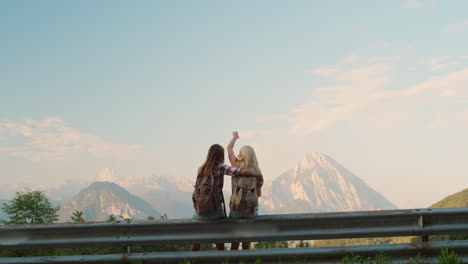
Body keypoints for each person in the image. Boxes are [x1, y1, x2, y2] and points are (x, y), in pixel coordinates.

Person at [191, 143, 263, 251]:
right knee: (221, 235)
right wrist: (256, 174)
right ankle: (223, 255)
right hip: (240, 213)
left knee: (199, 234)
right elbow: (256, 192)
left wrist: (234, 138)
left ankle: (192, 257)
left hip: (200, 212)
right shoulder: (221, 167)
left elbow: (231, 152)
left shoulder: (201, 169)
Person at [227, 131, 263, 250]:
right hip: (251, 211)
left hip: (236, 209)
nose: (237, 154)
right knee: (247, 243)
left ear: (242, 156)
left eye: (240, 153)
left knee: (234, 243)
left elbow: (229, 149)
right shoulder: (257, 172)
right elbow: (258, 194)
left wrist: (234, 138)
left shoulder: (236, 165)